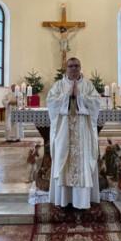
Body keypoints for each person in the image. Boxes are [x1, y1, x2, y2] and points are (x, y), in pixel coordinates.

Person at [47, 57, 101, 211]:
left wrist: (79, 97)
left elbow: (96, 103)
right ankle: (64, 201)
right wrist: (67, 96)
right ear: (66, 68)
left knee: (82, 163)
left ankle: (81, 203)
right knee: (63, 162)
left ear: (80, 67)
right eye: (70, 66)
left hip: (82, 132)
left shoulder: (88, 85)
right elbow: (51, 103)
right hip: (64, 132)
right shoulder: (58, 85)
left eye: (76, 65)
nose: (74, 68)